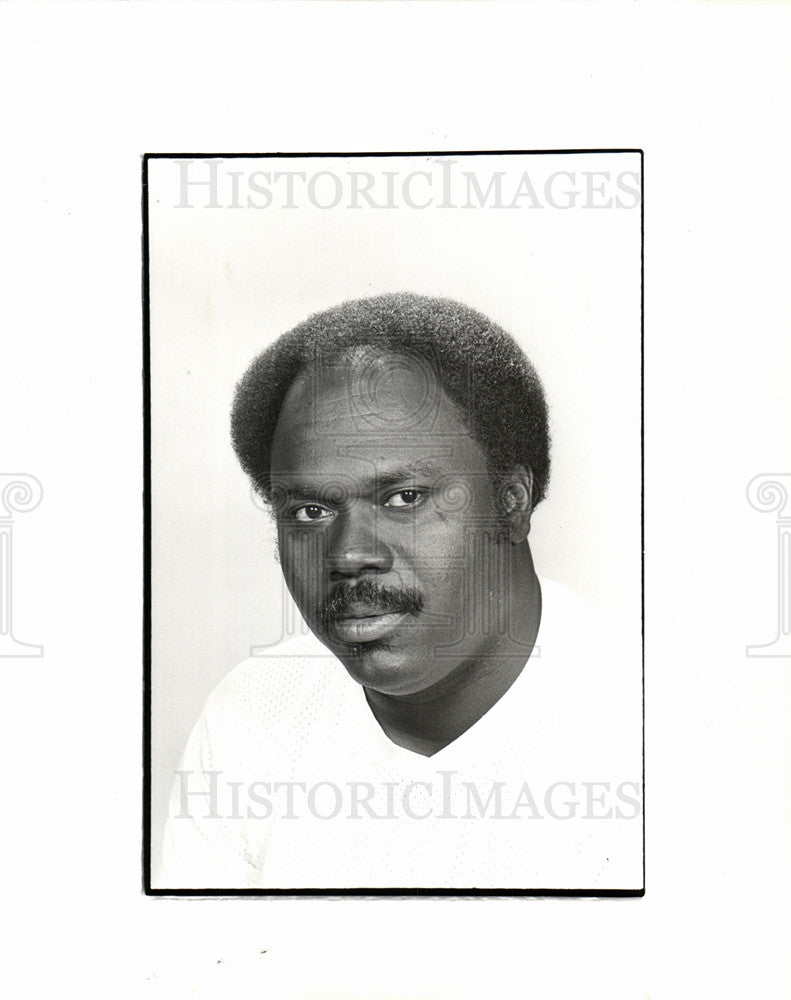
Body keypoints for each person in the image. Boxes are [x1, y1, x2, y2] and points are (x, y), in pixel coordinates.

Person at [158, 292, 641, 890]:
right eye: (309, 510)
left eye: (404, 498)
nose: (349, 554)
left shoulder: (646, 730)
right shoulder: (253, 715)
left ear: (510, 504)